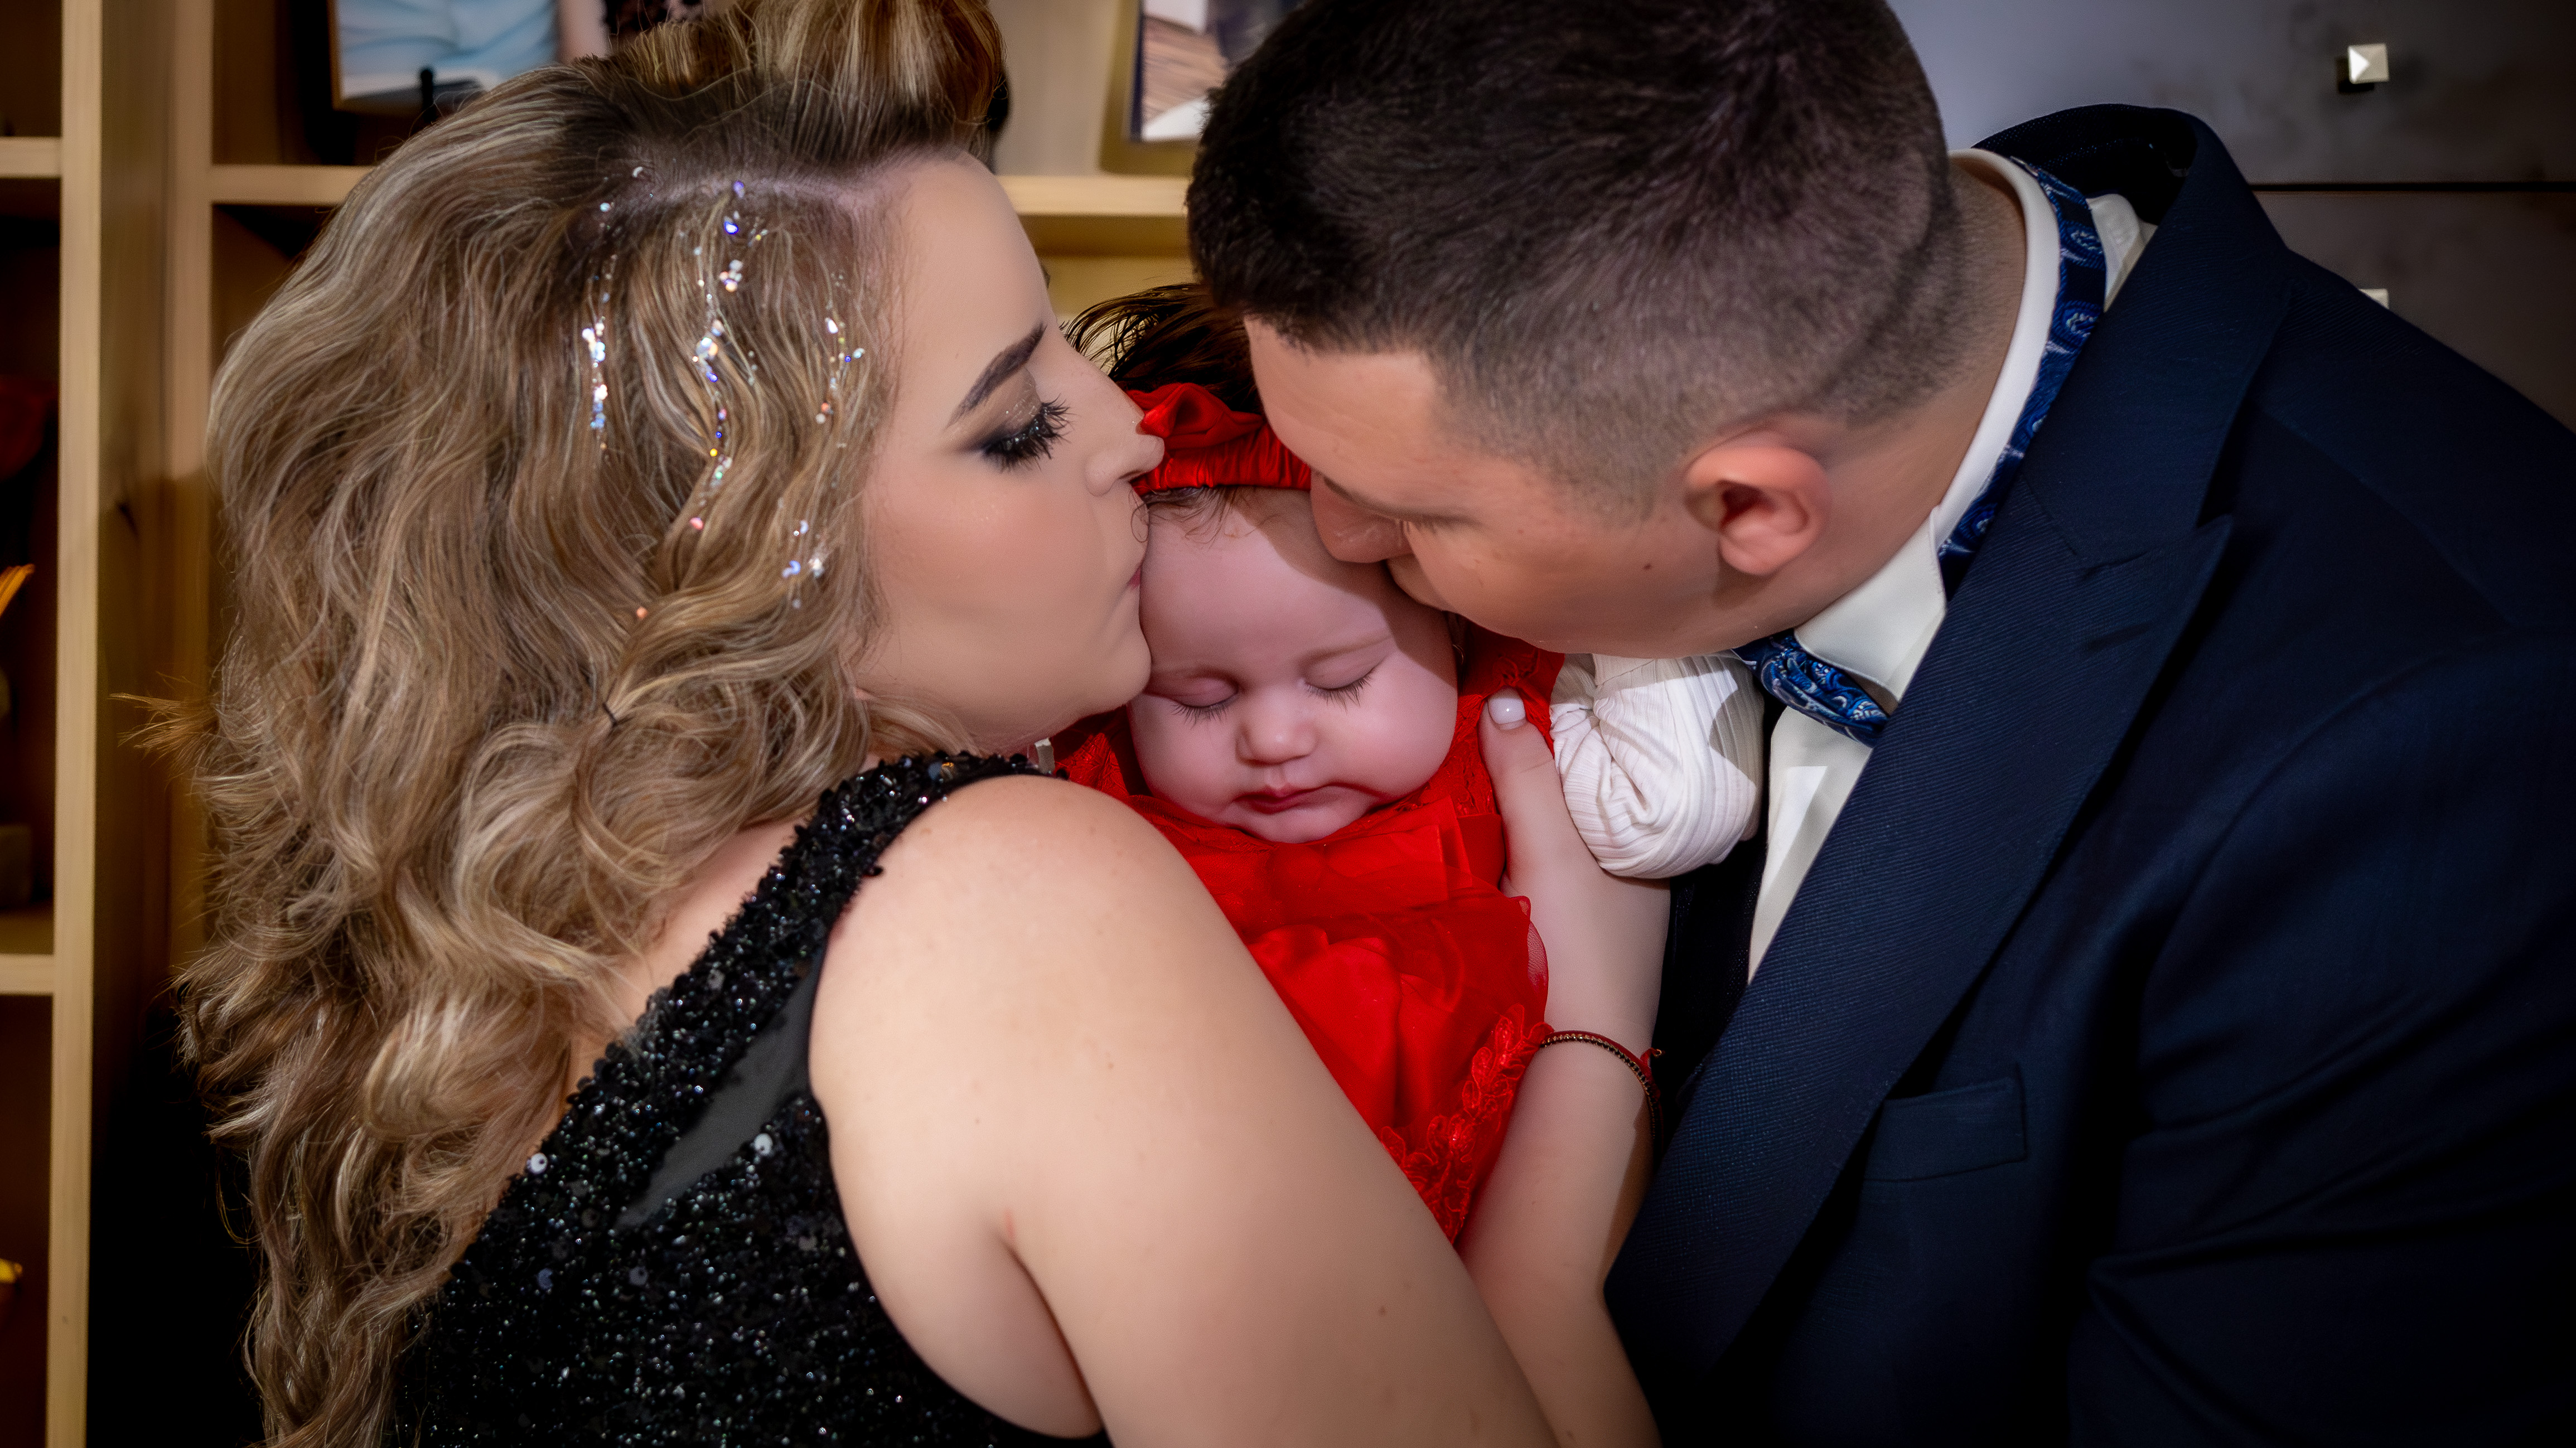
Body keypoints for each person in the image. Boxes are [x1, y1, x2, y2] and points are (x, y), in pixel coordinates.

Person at [167, 2, 1670, 1444]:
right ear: (730, 559)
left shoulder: (496, 956)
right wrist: (1588, 1054)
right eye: (1016, 425)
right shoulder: (1002, 899)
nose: (1133, 433)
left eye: (1070, 351)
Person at [1191, 0, 2576, 1441]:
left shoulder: (2436, 770)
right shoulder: (1739, 339)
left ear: (1747, 508)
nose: (1338, 538)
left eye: (1411, 512)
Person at [1049, 288, 1762, 1241]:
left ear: (1456, 625)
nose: (1273, 739)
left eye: (1340, 679)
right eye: (1198, 696)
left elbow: (1685, 800)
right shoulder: (1091, 813)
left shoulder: (1524, 717)